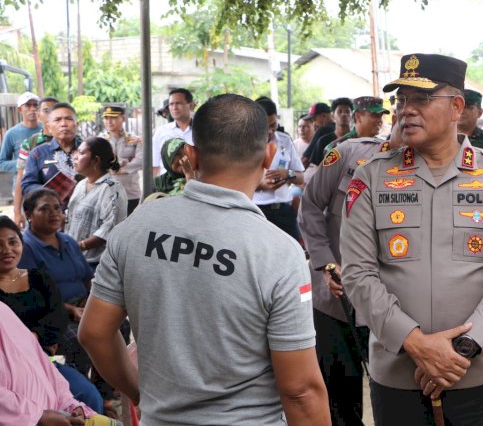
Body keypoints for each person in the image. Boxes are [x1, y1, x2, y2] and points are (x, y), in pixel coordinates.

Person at [78, 94, 330, 425]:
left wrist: (141, 393)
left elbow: (93, 333)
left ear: (191, 154)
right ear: (269, 155)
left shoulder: (137, 226)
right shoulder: (279, 252)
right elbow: (301, 391)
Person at [340, 53, 483, 426]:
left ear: (457, 107)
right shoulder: (369, 177)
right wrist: (416, 344)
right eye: (401, 100)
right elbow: (358, 274)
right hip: (398, 375)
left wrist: (461, 350)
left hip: (477, 372)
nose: (406, 111)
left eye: (422, 98)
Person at [300, 123, 400, 426]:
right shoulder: (348, 152)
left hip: (394, 307)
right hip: (335, 302)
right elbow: (311, 204)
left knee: (398, 398)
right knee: (339, 400)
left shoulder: (429, 170)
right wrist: (326, 263)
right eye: (405, 105)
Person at [0, 215, 103, 413]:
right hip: (10, 370)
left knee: (88, 395)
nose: (7, 250)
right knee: (36, 405)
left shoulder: (38, 278)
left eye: (12, 242)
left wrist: (34, 337)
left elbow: (57, 317)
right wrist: (26, 342)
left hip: (45, 359)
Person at [0, 303, 100, 425]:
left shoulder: (4, 310)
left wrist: (69, 404)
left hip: (50, 413)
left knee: (91, 396)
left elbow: (43, 364)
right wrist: (38, 417)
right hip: (28, 420)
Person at [66, 137, 128, 268]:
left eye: (81, 153)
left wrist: (80, 246)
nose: (75, 157)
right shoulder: (81, 185)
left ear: (96, 160)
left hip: (97, 265)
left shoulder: (112, 188)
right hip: (75, 259)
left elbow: (109, 229)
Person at [253, 97, 306, 242]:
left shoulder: (285, 140)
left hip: (283, 210)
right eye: (266, 127)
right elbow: (235, 182)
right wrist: (260, 185)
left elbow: (301, 177)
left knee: (295, 252)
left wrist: (287, 174)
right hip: (257, 211)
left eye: (274, 125)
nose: (270, 131)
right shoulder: (245, 144)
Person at [21, 102, 83, 206]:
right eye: (57, 120)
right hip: (52, 215)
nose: (63, 124)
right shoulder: (37, 153)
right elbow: (27, 186)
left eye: (68, 119)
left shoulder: (89, 150)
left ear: (77, 124)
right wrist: (50, 192)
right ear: (49, 127)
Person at [13, 96, 58, 228]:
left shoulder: (75, 141)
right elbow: (21, 178)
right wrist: (17, 212)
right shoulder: (30, 144)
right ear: (38, 115)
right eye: (46, 110)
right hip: (39, 206)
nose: (50, 113)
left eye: (54, 110)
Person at [101, 105, 143, 214]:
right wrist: (123, 162)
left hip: (130, 192)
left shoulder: (135, 140)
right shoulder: (99, 140)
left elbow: (141, 160)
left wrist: (121, 170)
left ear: (123, 118)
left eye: (113, 117)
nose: (109, 121)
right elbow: (97, 162)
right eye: (106, 118)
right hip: (105, 191)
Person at [323, 96, 389, 153]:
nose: (380, 121)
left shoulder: (383, 146)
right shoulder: (337, 148)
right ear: (358, 117)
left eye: (381, 116)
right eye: (375, 115)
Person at [151, 88, 194, 176]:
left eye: (178, 103)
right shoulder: (161, 132)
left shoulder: (203, 130)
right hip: (168, 187)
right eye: (171, 104)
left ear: (191, 105)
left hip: (197, 184)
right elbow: (155, 165)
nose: (174, 107)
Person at [0, 92, 41, 174]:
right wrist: (23, 163)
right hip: (22, 183)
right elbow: (1, 164)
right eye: (28, 105)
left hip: (46, 182)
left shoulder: (48, 129)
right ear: (19, 109)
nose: (32, 108)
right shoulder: (11, 133)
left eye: (35, 105)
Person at [309, 97, 355, 167]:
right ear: (333, 116)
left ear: (352, 116)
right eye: (340, 111)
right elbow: (317, 168)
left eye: (347, 112)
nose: (344, 114)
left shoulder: (357, 140)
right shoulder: (323, 141)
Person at [302, 101, 334, 168]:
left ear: (323, 116)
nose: (314, 123)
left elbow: (304, 161)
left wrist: (290, 175)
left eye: (314, 119)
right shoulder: (341, 130)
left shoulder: (322, 131)